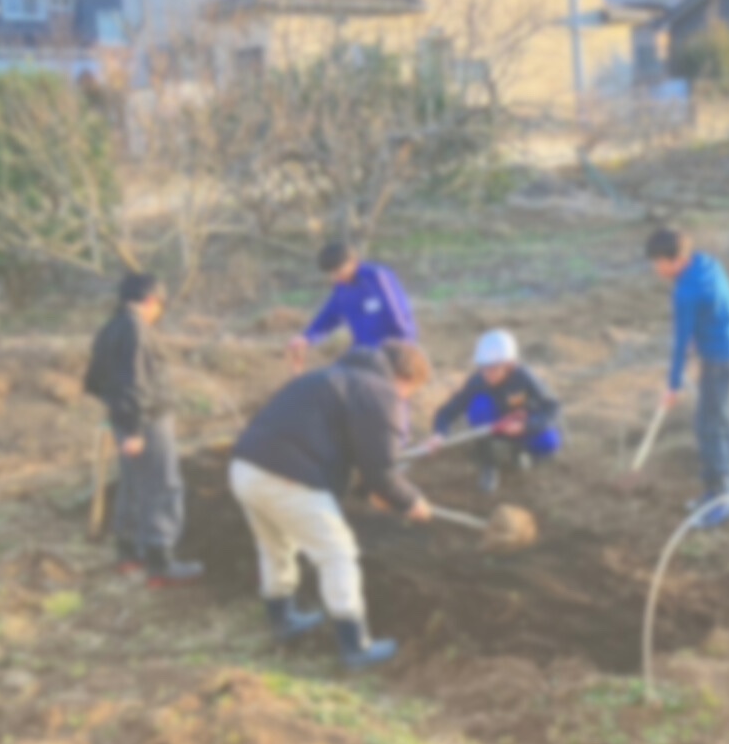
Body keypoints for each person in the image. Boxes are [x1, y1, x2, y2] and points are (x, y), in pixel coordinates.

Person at [229, 341, 434, 670]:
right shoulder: (380, 392)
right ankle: (356, 646)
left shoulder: (332, 377)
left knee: (275, 546)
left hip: (246, 468)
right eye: (411, 392)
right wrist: (411, 502)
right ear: (405, 378)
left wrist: (372, 491)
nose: (406, 400)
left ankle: (282, 621)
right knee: (338, 554)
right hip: (289, 477)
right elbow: (382, 470)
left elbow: (351, 450)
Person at [82, 272, 203, 586]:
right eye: (160, 305)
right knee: (164, 486)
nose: (159, 311)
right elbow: (135, 382)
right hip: (147, 421)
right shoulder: (137, 330)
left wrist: (117, 411)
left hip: (124, 418)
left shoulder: (110, 328)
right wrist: (135, 428)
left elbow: (93, 382)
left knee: (133, 484)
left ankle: (128, 555)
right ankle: (161, 563)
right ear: (151, 301)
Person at [646, 227, 729, 529]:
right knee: (721, 419)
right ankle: (716, 491)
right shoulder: (706, 264)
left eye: (658, 262)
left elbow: (681, 340)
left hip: (721, 360)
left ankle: (722, 502)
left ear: (675, 261)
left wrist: (673, 384)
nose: (656, 269)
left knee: (710, 425)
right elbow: (712, 311)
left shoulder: (686, 292)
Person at [426, 329, 563, 494]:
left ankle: (519, 451)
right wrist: (439, 433)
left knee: (549, 441)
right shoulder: (477, 382)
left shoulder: (525, 377)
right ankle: (488, 463)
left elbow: (552, 407)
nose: (487, 374)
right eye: (483, 368)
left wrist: (526, 426)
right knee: (479, 406)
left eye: (493, 368)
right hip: (491, 427)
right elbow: (447, 411)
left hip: (521, 424)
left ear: (509, 365)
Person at [288, 242, 417, 372]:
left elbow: (398, 311)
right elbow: (329, 316)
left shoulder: (378, 277)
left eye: (337, 271)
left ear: (353, 262)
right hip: (362, 352)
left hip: (390, 351)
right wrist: (307, 337)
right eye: (330, 273)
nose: (334, 277)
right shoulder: (342, 288)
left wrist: (406, 345)